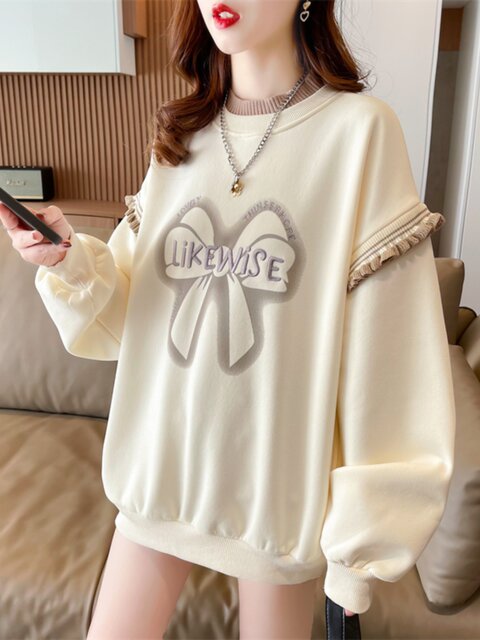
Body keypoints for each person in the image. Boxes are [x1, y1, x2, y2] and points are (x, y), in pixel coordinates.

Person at [0, 0, 455, 638]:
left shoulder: (360, 135)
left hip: (274, 505)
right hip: (158, 478)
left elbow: (391, 359)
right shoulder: (181, 137)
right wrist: (69, 258)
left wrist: (361, 551)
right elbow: (130, 316)